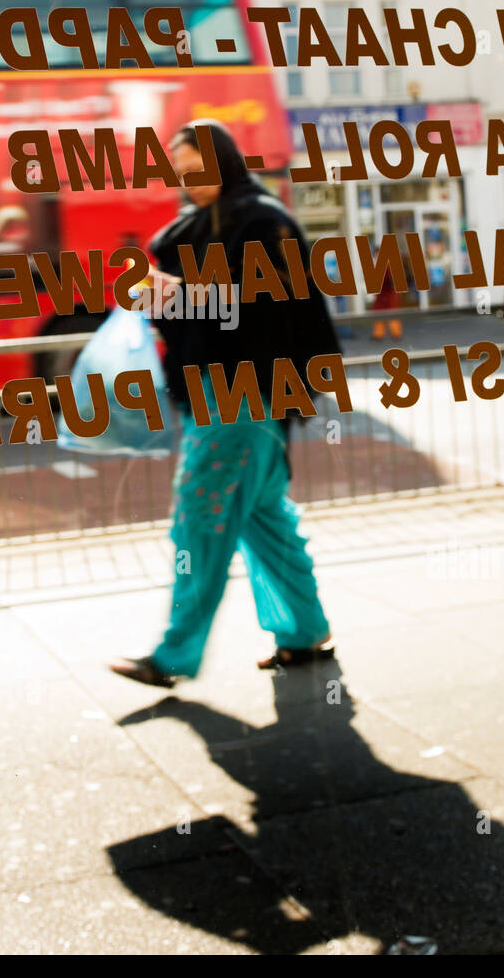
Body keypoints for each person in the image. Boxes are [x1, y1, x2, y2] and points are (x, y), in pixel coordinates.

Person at [109, 121, 342, 688]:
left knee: (199, 517)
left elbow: (269, 304)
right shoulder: (190, 229)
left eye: (197, 168)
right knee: (264, 517)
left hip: (244, 390)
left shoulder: (262, 222)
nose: (189, 180)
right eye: (180, 171)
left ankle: (174, 654)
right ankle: (303, 633)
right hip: (221, 390)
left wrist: (179, 294)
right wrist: (158, 297)